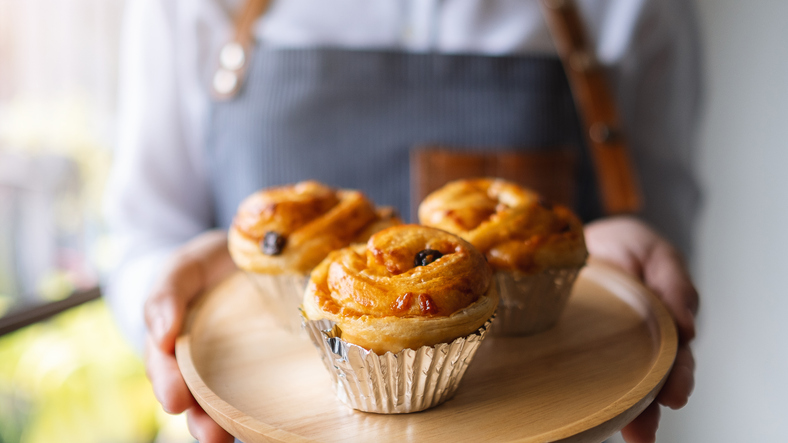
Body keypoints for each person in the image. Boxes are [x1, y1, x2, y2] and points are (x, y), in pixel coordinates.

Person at [105, 1, 701, 442]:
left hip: (547, 404)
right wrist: (173, 296)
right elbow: (142, 234)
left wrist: (640, 251)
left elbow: (655, 210)